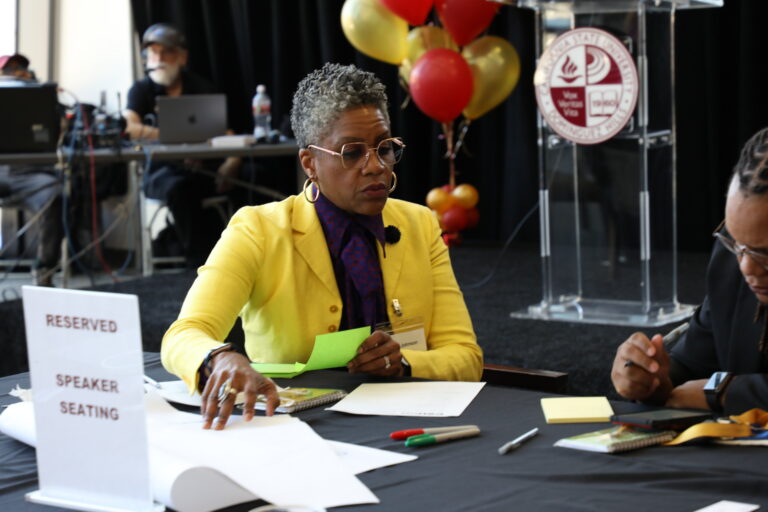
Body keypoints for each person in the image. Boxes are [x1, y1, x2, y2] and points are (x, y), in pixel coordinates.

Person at [161, 63, 483, 429]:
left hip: (405, 417)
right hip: (296, 431)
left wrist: (406, 363)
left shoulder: (419, 223)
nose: (376, 166)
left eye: (385, 147)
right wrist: (218, 358)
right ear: (310, 163)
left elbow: (466, 356)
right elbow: (183, 334)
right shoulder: (258, 229)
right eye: (352, 153)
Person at [611, 126, 768, 415]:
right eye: (737, 241)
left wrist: (723, 392)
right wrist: (651, 377)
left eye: (765, 252)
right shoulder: (728, 261)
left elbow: (710, 387)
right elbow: (693, 364)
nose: (746, 266)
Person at [123, 23, 242, 267]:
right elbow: (131, 128)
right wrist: (171, 134)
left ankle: (238, 261)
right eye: (153, 53)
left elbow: (226, 132)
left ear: (182, 57)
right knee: (179, 190)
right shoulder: (141, 90)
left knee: (246, 181)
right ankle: (198, 264)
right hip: (160, 173)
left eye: (166, 52)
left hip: (201, 171)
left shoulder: (201, 87)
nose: (159, 59)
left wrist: (232, 162)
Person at [0, 54, 63, 287]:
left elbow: (59, 134)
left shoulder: (42, 98)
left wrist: (50, 104)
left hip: (31, 174)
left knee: (55, 194)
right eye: (9, 69)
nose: (17, 72)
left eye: (21, 68)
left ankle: (44, 272)